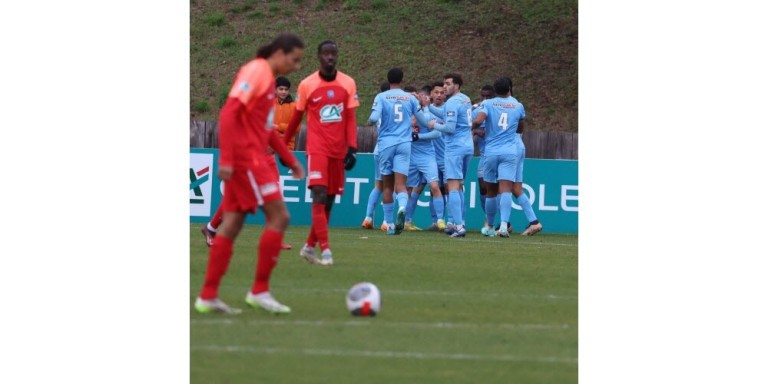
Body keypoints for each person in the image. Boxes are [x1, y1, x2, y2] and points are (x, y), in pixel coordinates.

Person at [195, 33, 306, 315]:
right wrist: (229, 158)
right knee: (279, 217)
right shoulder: (257, 71)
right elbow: (229, 114)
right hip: (248, 160)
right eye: (294, 60)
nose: (295, 66)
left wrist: (289, 158)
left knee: (231, 224)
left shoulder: (266, 79)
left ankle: (208, 295)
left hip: (251, 157)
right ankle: (259, 291)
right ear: (280, 52)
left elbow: (265, 129)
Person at [283, 40, 359, 266]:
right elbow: (296, 118)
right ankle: (325, 250)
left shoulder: (348, 83)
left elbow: (351, 119)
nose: (329, 57)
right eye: (325, 54)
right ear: (318, 56)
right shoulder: (307, 84)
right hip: (317, 149)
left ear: (337, 56)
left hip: (337, 151)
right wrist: (283, 145)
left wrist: (352, 148)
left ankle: (308, 246)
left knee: (329, 201)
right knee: (319, 195)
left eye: (333, 53)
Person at [472, 77, 541, 237]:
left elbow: (479, 120)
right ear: (509, 88)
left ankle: (489, 227)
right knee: (506, 190)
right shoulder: (518, 106)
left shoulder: (488, 104)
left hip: (491, 151)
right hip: (510, 151)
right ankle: (503, 226)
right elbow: (520, 127)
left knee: (491, 191)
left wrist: (471, 126)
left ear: (495, 91)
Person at [368, 68, 433, 235]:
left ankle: (389, 224)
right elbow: (424, 122)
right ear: (402, 80)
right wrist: (425, 108)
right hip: (405, 144)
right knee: (401, 185)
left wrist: (370, 120)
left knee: (387, 186)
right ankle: (402, 207)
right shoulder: (410, 98)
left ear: (388, 80)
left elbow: (374, 118)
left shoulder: (381, 97)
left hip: (386, 145)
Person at [429, 73, 473, 237]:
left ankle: (459, 225)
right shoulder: (465, 99)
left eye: (448, 84)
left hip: (455, 148)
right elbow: (446, 113)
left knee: (452, 186)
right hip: (468, 146)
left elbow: (449, 128)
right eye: (444, 83)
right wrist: (428, 107)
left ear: (457, 85)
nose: (445, 86)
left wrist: (435, 125)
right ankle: (456, 222)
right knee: (459, 185)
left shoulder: (453, 102)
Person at [403, 85, 446, 231]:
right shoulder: (408, 113)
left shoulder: (429, 114)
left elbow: (437, 134)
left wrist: (418, 136)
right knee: (409, 189)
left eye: (423, 96)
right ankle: (406, 221)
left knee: (434, 186)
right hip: (411, 156)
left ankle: (440, 220)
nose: (420, 98)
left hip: (427, 156)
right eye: (418, 96)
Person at [362, 82, 390, 230]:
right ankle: (387, 220)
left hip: (378, 148)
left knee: (378, 185)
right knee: (391, 185)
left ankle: (368, 217)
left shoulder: (380, 103)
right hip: (391, 148)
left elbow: (372, 119)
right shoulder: (394, 103)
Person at [473, 85, 495, 229]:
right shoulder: (477, 111)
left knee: (503, 189)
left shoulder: (497, 110)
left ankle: (505, 222)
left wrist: (480, 131)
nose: (485, 99)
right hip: (484, 155)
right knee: (483, 186)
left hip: (498, 152)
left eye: (489, 96)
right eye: (483, 96)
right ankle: (487, 218)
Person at [273, 76, 298, 150]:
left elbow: (296, 127)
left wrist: (278, 127)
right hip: (270, 145)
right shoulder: (268, 105)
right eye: (281, 89)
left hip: (288, 146)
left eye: (286, 89)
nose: (284, 92)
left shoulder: (294, 106)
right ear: (275, 90)